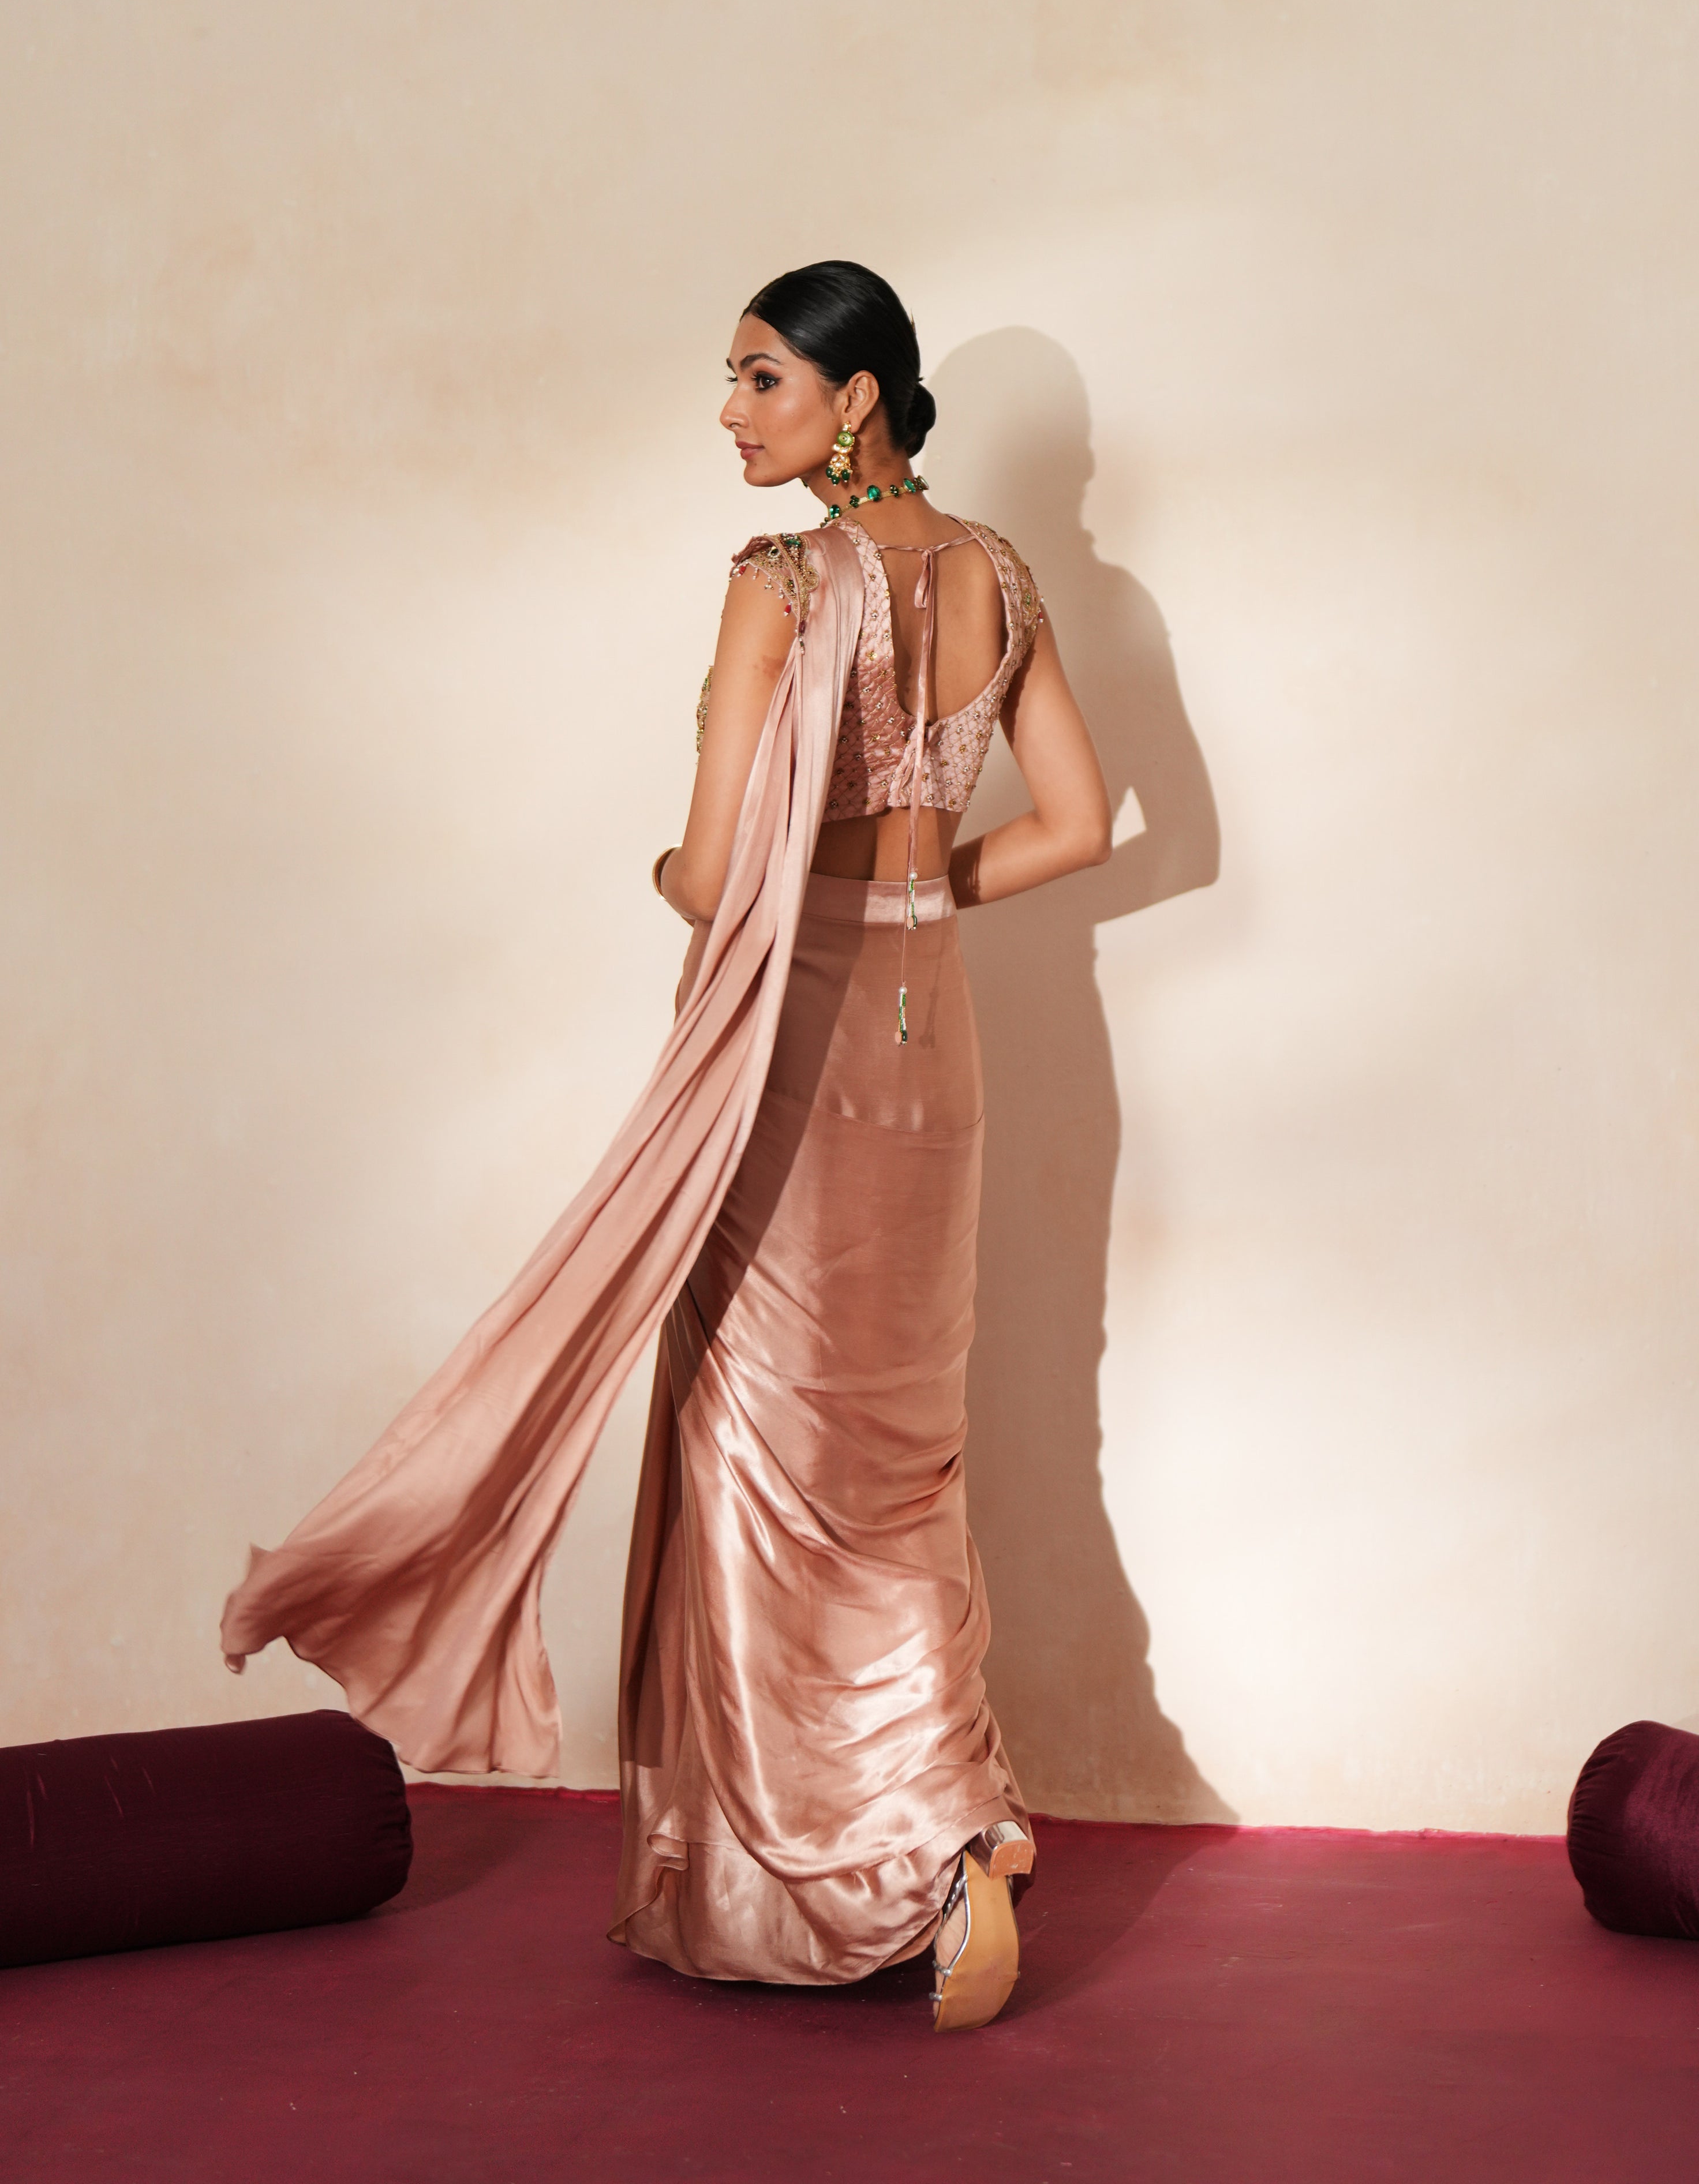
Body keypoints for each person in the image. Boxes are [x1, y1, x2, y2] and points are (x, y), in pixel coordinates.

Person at [220, 262, 1112, 2033]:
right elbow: (1081, 827)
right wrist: (923, 885)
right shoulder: (1003, 579)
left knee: (759, 1449)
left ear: (853, 396)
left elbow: (713, 884)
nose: (731, 413)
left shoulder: (783, 580)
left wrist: (680, 880)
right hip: (941, 1063)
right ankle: (953, 1819)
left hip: (792, 1054)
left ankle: (845, 1867)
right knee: (898, 1456)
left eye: (761, 378)